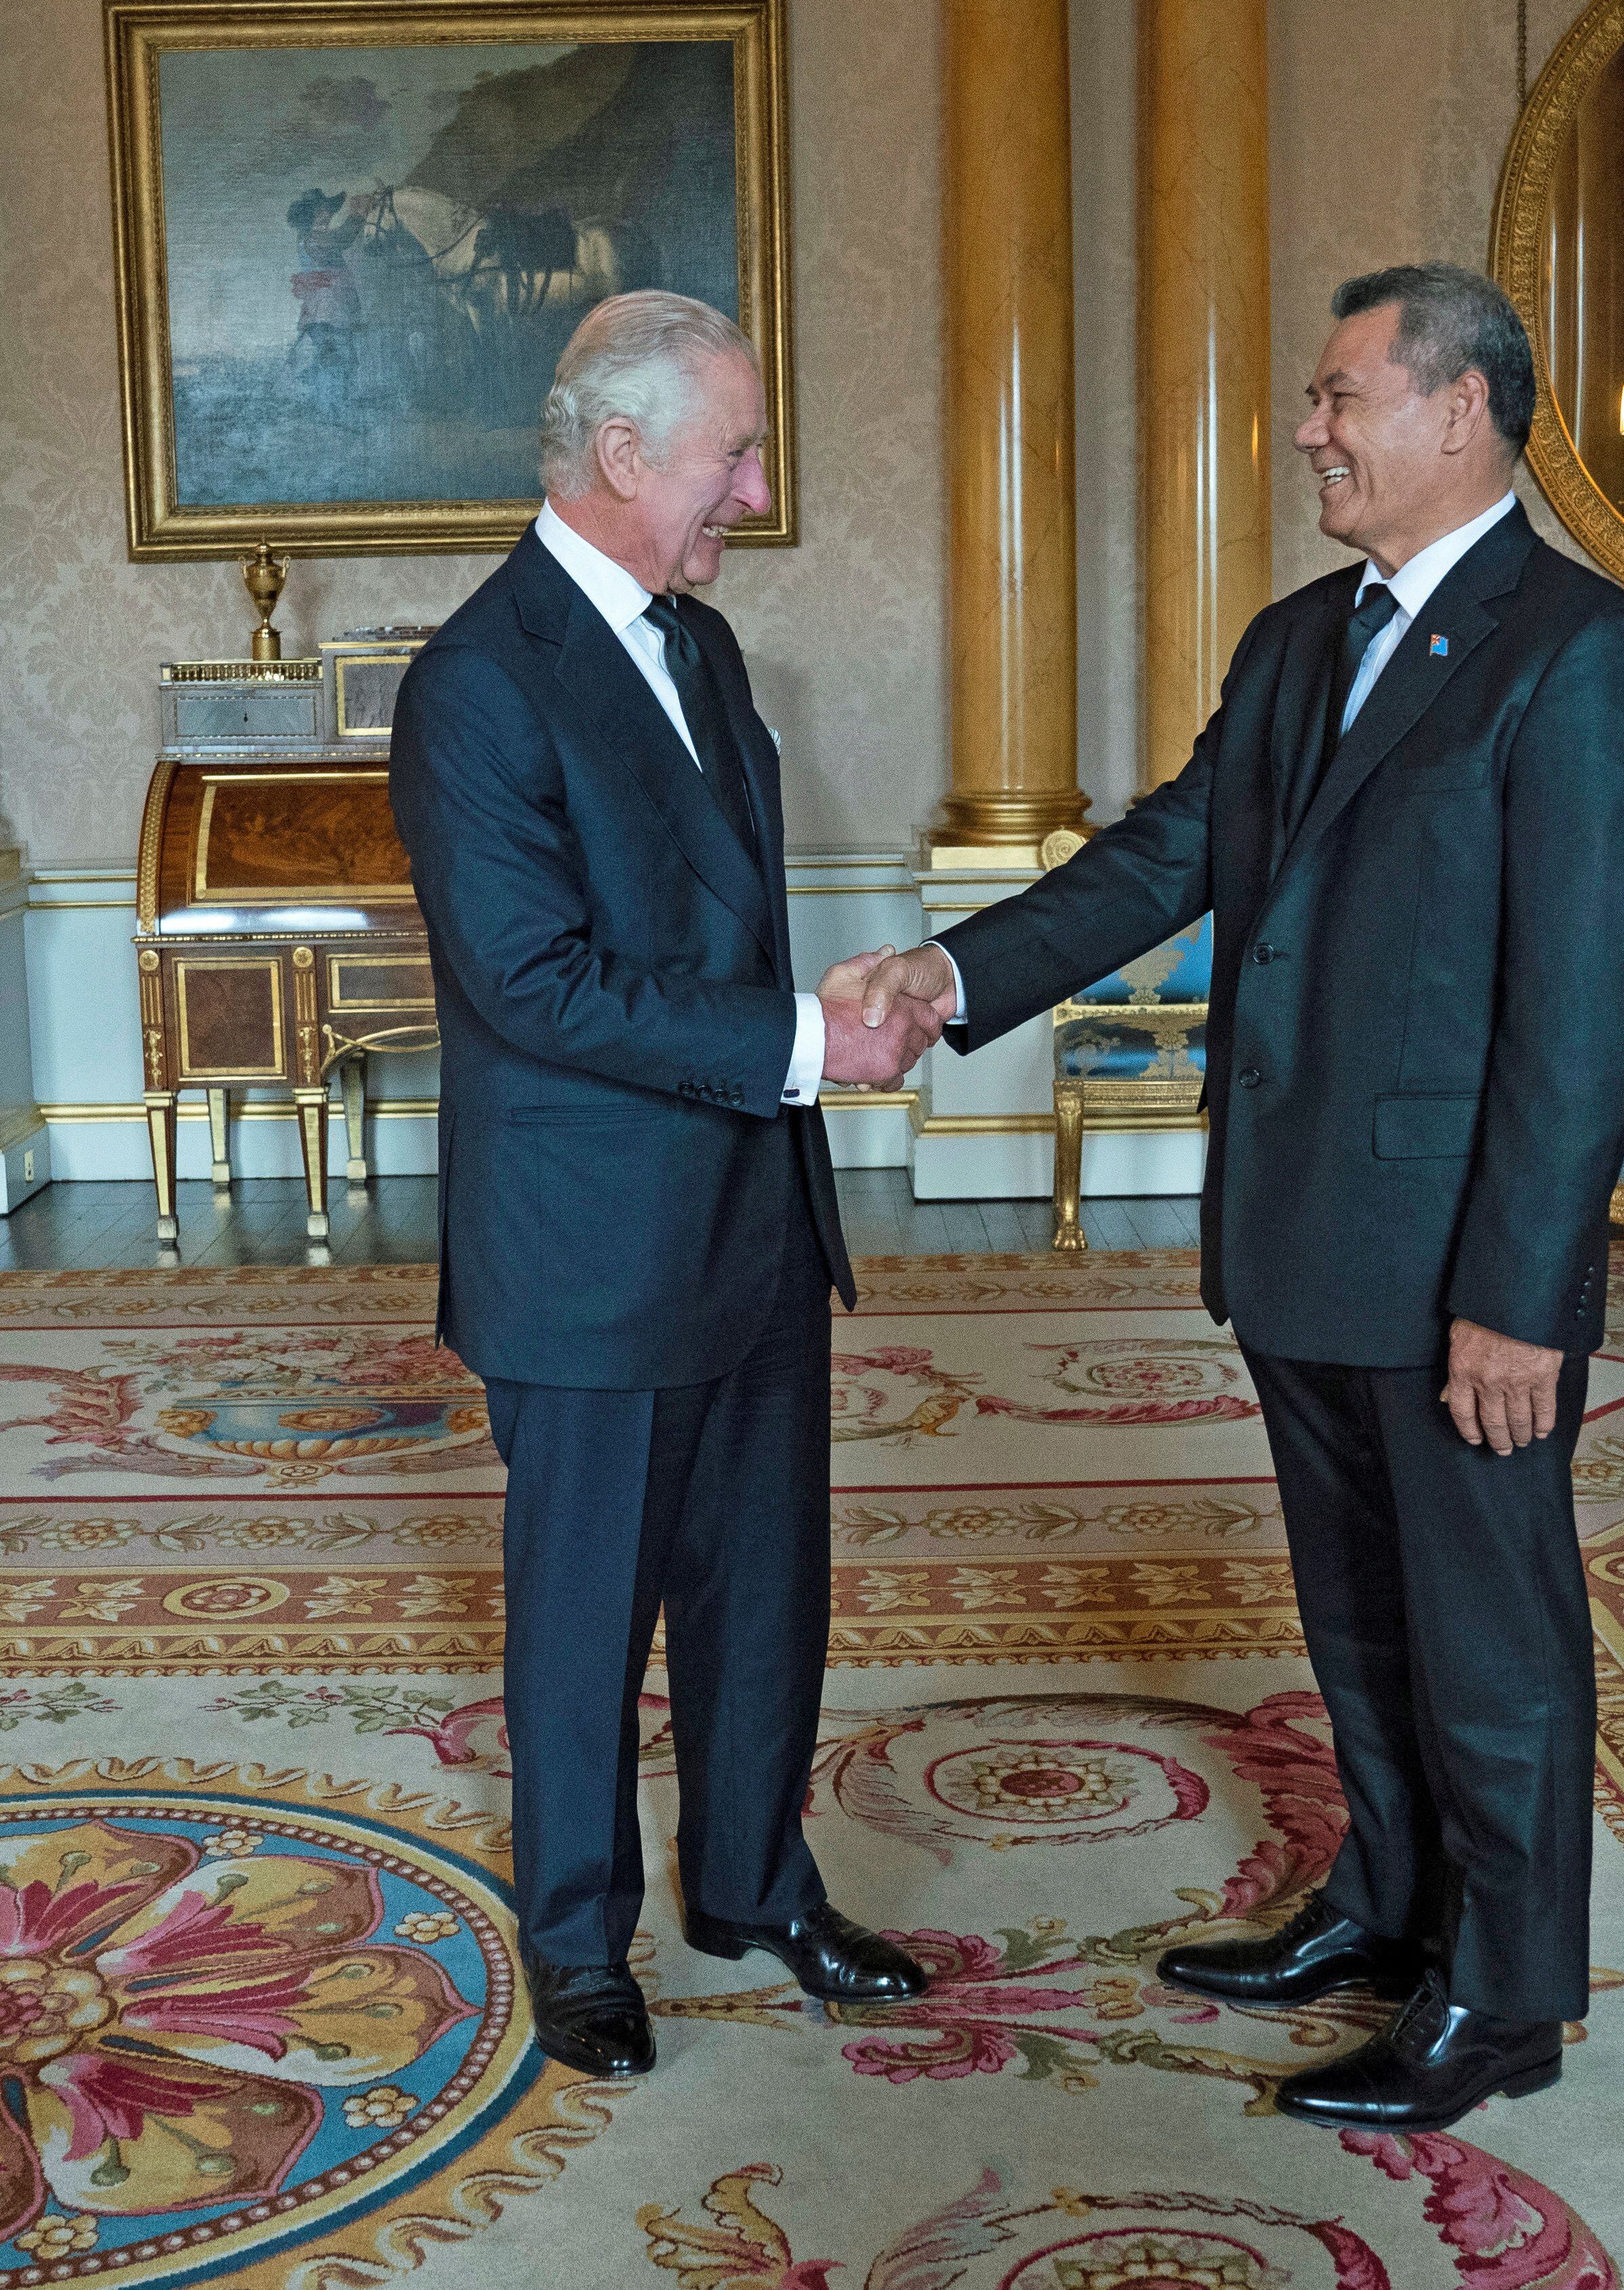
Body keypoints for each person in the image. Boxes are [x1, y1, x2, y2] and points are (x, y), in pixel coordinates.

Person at [832, 262, 1624, 2131]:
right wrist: (953, 975)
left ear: (1457, 410)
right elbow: (1161, 855)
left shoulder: (1586, 656)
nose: (1307, 427)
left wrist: (1521, 1291)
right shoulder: (1303, 638)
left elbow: (1580, 1013)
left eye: (1339, 395)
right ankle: (1388, 1903)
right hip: (1302, 1229)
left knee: (1491, 1635)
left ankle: (1507, 1992)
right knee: (1360, 1612)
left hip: (1463, 1259)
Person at [391, 289, 944, 2081]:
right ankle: (577, 1940)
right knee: (584, 1618)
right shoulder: (477, 680)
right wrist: (803, 1041)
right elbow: (533, 982)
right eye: (733, 453)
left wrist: (822, 1008)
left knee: (762, 1585)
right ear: (625, 456)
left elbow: (708, 934)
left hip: (747, 1214)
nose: (755, 488)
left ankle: (753, 1885)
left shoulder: (702, 648)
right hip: (588, 1251)